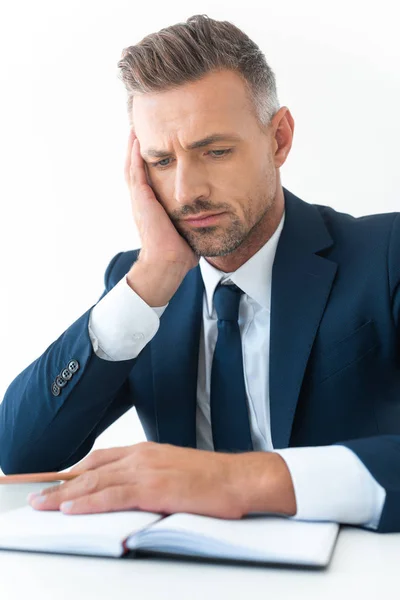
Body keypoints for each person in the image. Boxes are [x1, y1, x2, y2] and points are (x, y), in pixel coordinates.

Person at [1, 14, 399, 533]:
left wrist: (238, 481)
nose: (187, 192)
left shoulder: (385, 254)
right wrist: (151, 279)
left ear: (279, 139)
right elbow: (21, 451)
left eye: (214, 151)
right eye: (161, 161)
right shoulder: (144, 288)